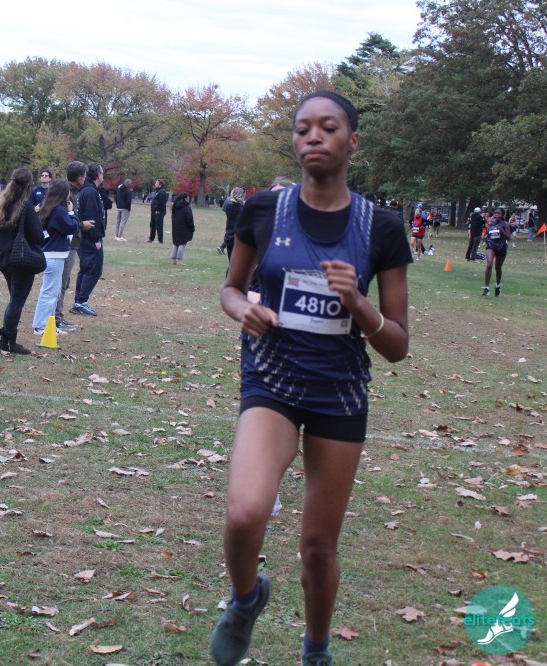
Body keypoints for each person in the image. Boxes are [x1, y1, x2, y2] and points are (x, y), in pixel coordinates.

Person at [212, 90, 410, 666]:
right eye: (302, 129)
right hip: (271, 380)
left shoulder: (382, 227)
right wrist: (242, 309)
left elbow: (397, 345)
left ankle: (316, 652)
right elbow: (231, 288)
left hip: (338, 394)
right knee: (245, 511)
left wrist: (359, 304)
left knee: (318, 548)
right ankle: (245, 601)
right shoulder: (262, 210)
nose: (313, 137)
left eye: (328, 127)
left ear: (352, 140)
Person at [0, 167, 44, 355]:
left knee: (14, 299)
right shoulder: (26, 207)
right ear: (29, 185)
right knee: (17, 301)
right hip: (21, 259)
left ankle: (5, 339)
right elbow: (38, 236)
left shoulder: (3, 204)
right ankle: (8, 341)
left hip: (5, 258)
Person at [32, 179, 79, 336]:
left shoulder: (48, 207)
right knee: (50, 292)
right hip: (54, 255)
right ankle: (41, 326)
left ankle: (49, 325)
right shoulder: (58, 210)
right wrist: (71, 212)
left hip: (51, 253)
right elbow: (72, 227)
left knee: (54, 292)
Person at [52, 162, 88, 334]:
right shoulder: (66, 194)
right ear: (80, 178)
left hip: (70, 244)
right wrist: (81, 224)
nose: (85, 179)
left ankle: (58, 316)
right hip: (65, 245)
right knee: (61, 282)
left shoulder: (72, 192)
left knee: (63, 282)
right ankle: (56, 319)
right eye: (84, 176)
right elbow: (63, 220)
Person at [71, 162, 106, 316]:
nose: (103, 176)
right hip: (89, 238)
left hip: (84, 237)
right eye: (102, 173)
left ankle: (79, 301)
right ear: (98, 175)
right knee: (93, 269)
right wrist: (96, 239)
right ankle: (81, 302)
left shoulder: (86, 190)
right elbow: (92, 217)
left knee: (85, 268)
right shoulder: (90, 191)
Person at [482, 208, 510, 297]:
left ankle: (497, 285)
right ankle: (486, 288)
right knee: (489, 264)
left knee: (498, 268)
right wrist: (485, 237)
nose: (497, 214)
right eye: (495, 213)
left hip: (501, 248)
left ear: (502, 215)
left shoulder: (505, 224)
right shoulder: (491, 223)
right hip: (491, 246)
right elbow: (488, 233)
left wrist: (501, 230)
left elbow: (508, 237)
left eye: (499, 213)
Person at [170, 192, 195, 265]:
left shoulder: (175, 207)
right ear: (185, 198)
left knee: (176, 243)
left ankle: (174, 259)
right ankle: (179, 260)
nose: (188, 198)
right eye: (188, 197)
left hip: (175, 227)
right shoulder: (186, 207)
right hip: (184, 228)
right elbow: (189, 219)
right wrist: (192, 227)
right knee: (182, 244)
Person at [220, 187, 245, 258]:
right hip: (237, 238)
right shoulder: (240, 208)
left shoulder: (229, 206)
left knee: (231, 261)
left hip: (229, 236)